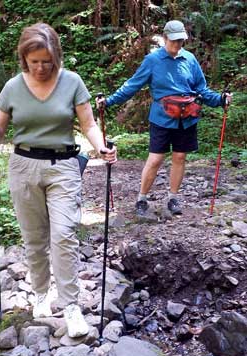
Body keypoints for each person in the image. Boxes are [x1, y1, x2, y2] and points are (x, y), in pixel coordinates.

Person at [0, 22, 116, 338]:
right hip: (24, 166)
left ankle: (71, 307)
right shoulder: (13, 86)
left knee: (64, 235)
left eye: (46, 61)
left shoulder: (72, 82)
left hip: (64, 165)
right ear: (24, 58)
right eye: (34, 61)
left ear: (56, 55)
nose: (40, 67)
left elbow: (88, 124)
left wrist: (101, 146)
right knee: (34, 237)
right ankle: (40, 293)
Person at [97, 20, 231, 219]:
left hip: (187, 118)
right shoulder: (152, 60)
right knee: (156, 158)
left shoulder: (189, 59)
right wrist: (109, 101)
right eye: (174, 40)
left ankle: (172, 198)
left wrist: (220, 100)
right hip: (161, 118)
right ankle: (142, 199)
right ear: (165, 38)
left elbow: (201, 90)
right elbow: (132, 85)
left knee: (179, 157)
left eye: (181, 41)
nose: (178, 45)